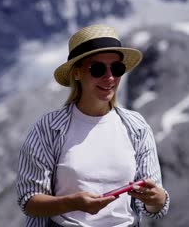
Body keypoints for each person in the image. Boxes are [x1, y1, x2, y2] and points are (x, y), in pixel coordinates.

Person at [16, 24, 170, 227]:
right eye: (97, 69)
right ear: (77, 73)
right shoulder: (48, 128)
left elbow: (154, 206)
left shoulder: (137, 127)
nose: (110, 77)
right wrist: (71, 203)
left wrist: (156, 199)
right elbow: (29, 201)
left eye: (117, 68)